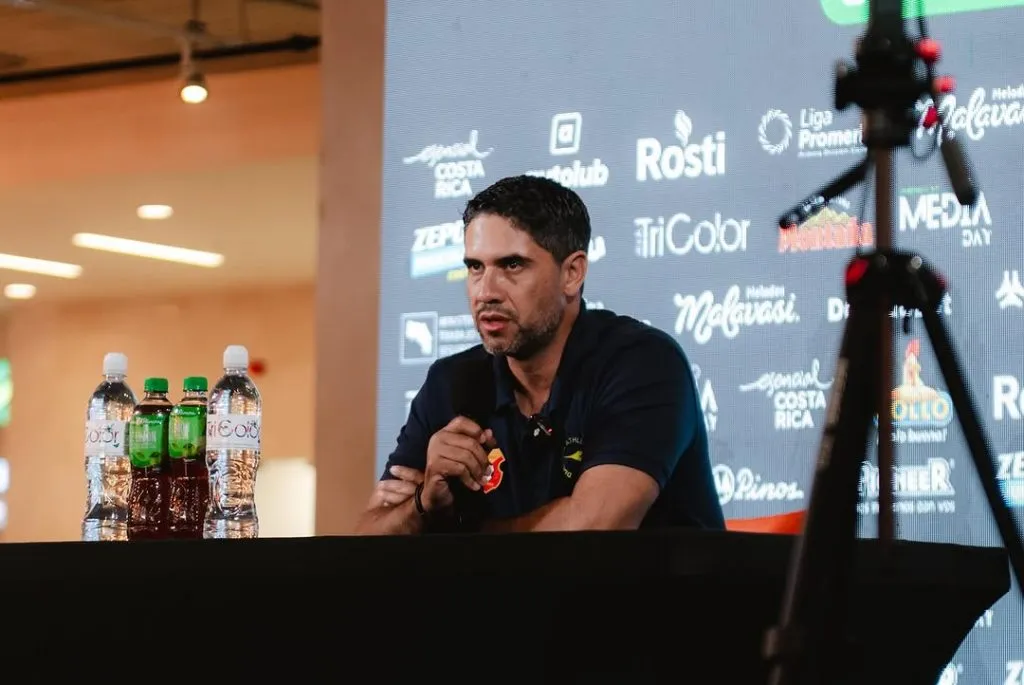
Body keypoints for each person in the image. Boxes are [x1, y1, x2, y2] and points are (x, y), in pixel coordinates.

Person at [354, 175, 725, 535]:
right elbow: (365, 544)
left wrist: (457, 533)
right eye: (475, 267)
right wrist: (423, 505)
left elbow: (594, 529)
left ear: (572, 273)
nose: (486, 292)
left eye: (512, 265)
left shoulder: (643, 363)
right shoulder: (452, 382)